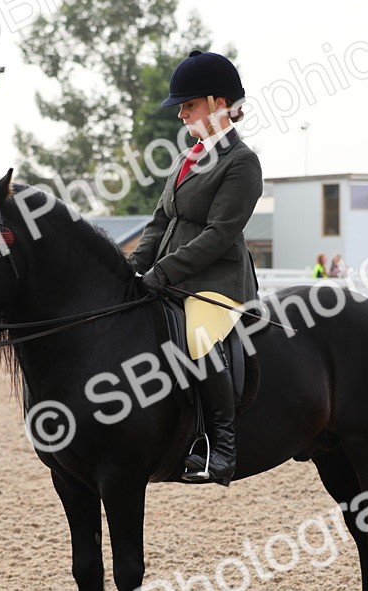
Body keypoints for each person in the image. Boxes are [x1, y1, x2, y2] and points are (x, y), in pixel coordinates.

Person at [131, 50, 262, 486]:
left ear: (218, 103)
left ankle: (221, 446)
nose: (182, 115)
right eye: (182, 108)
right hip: (173, 276)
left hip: (217, 281)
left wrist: (164, 271)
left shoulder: (241, 163)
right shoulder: (191, 157)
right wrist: (134, 267)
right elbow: (161, 219)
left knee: (199, 337)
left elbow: (220, 233)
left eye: (189, 106)